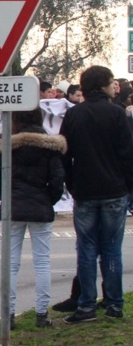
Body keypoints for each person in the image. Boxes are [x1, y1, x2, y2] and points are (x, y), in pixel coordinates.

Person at [59, 65, 133, 323]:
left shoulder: (74, 115)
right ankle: (114, 304)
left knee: (87, 249)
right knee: (112, 249)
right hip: (114, 190)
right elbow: (127, 154)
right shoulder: (116, 114)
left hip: (85, 191)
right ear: (102, 85)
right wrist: (128, 187)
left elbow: (64, 154)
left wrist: (72, 184)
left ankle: (86, 305)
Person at [0, 108, 66, 329]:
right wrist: (47, 199)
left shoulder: (3, 142)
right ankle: (42, 314)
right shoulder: (49, 144)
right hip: (41, 206)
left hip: (13, 206)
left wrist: (5, 195)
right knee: (42, 262)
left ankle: (8, 315)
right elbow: (58, 178)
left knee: (10, 263)